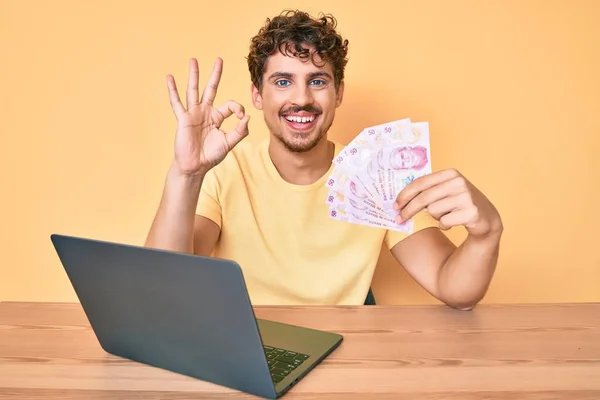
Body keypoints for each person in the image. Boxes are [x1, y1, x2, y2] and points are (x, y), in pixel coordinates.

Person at [145, 10, 504, 309]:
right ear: (257, 94)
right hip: (247, 345)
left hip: (344, 354)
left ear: (339, 93)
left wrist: (487, 232)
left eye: (317, 81)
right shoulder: (226, 172)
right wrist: (185, 174)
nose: (301, 99)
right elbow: (167, 288)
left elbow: (454, 287)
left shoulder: (377, 175)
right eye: (283, 82)